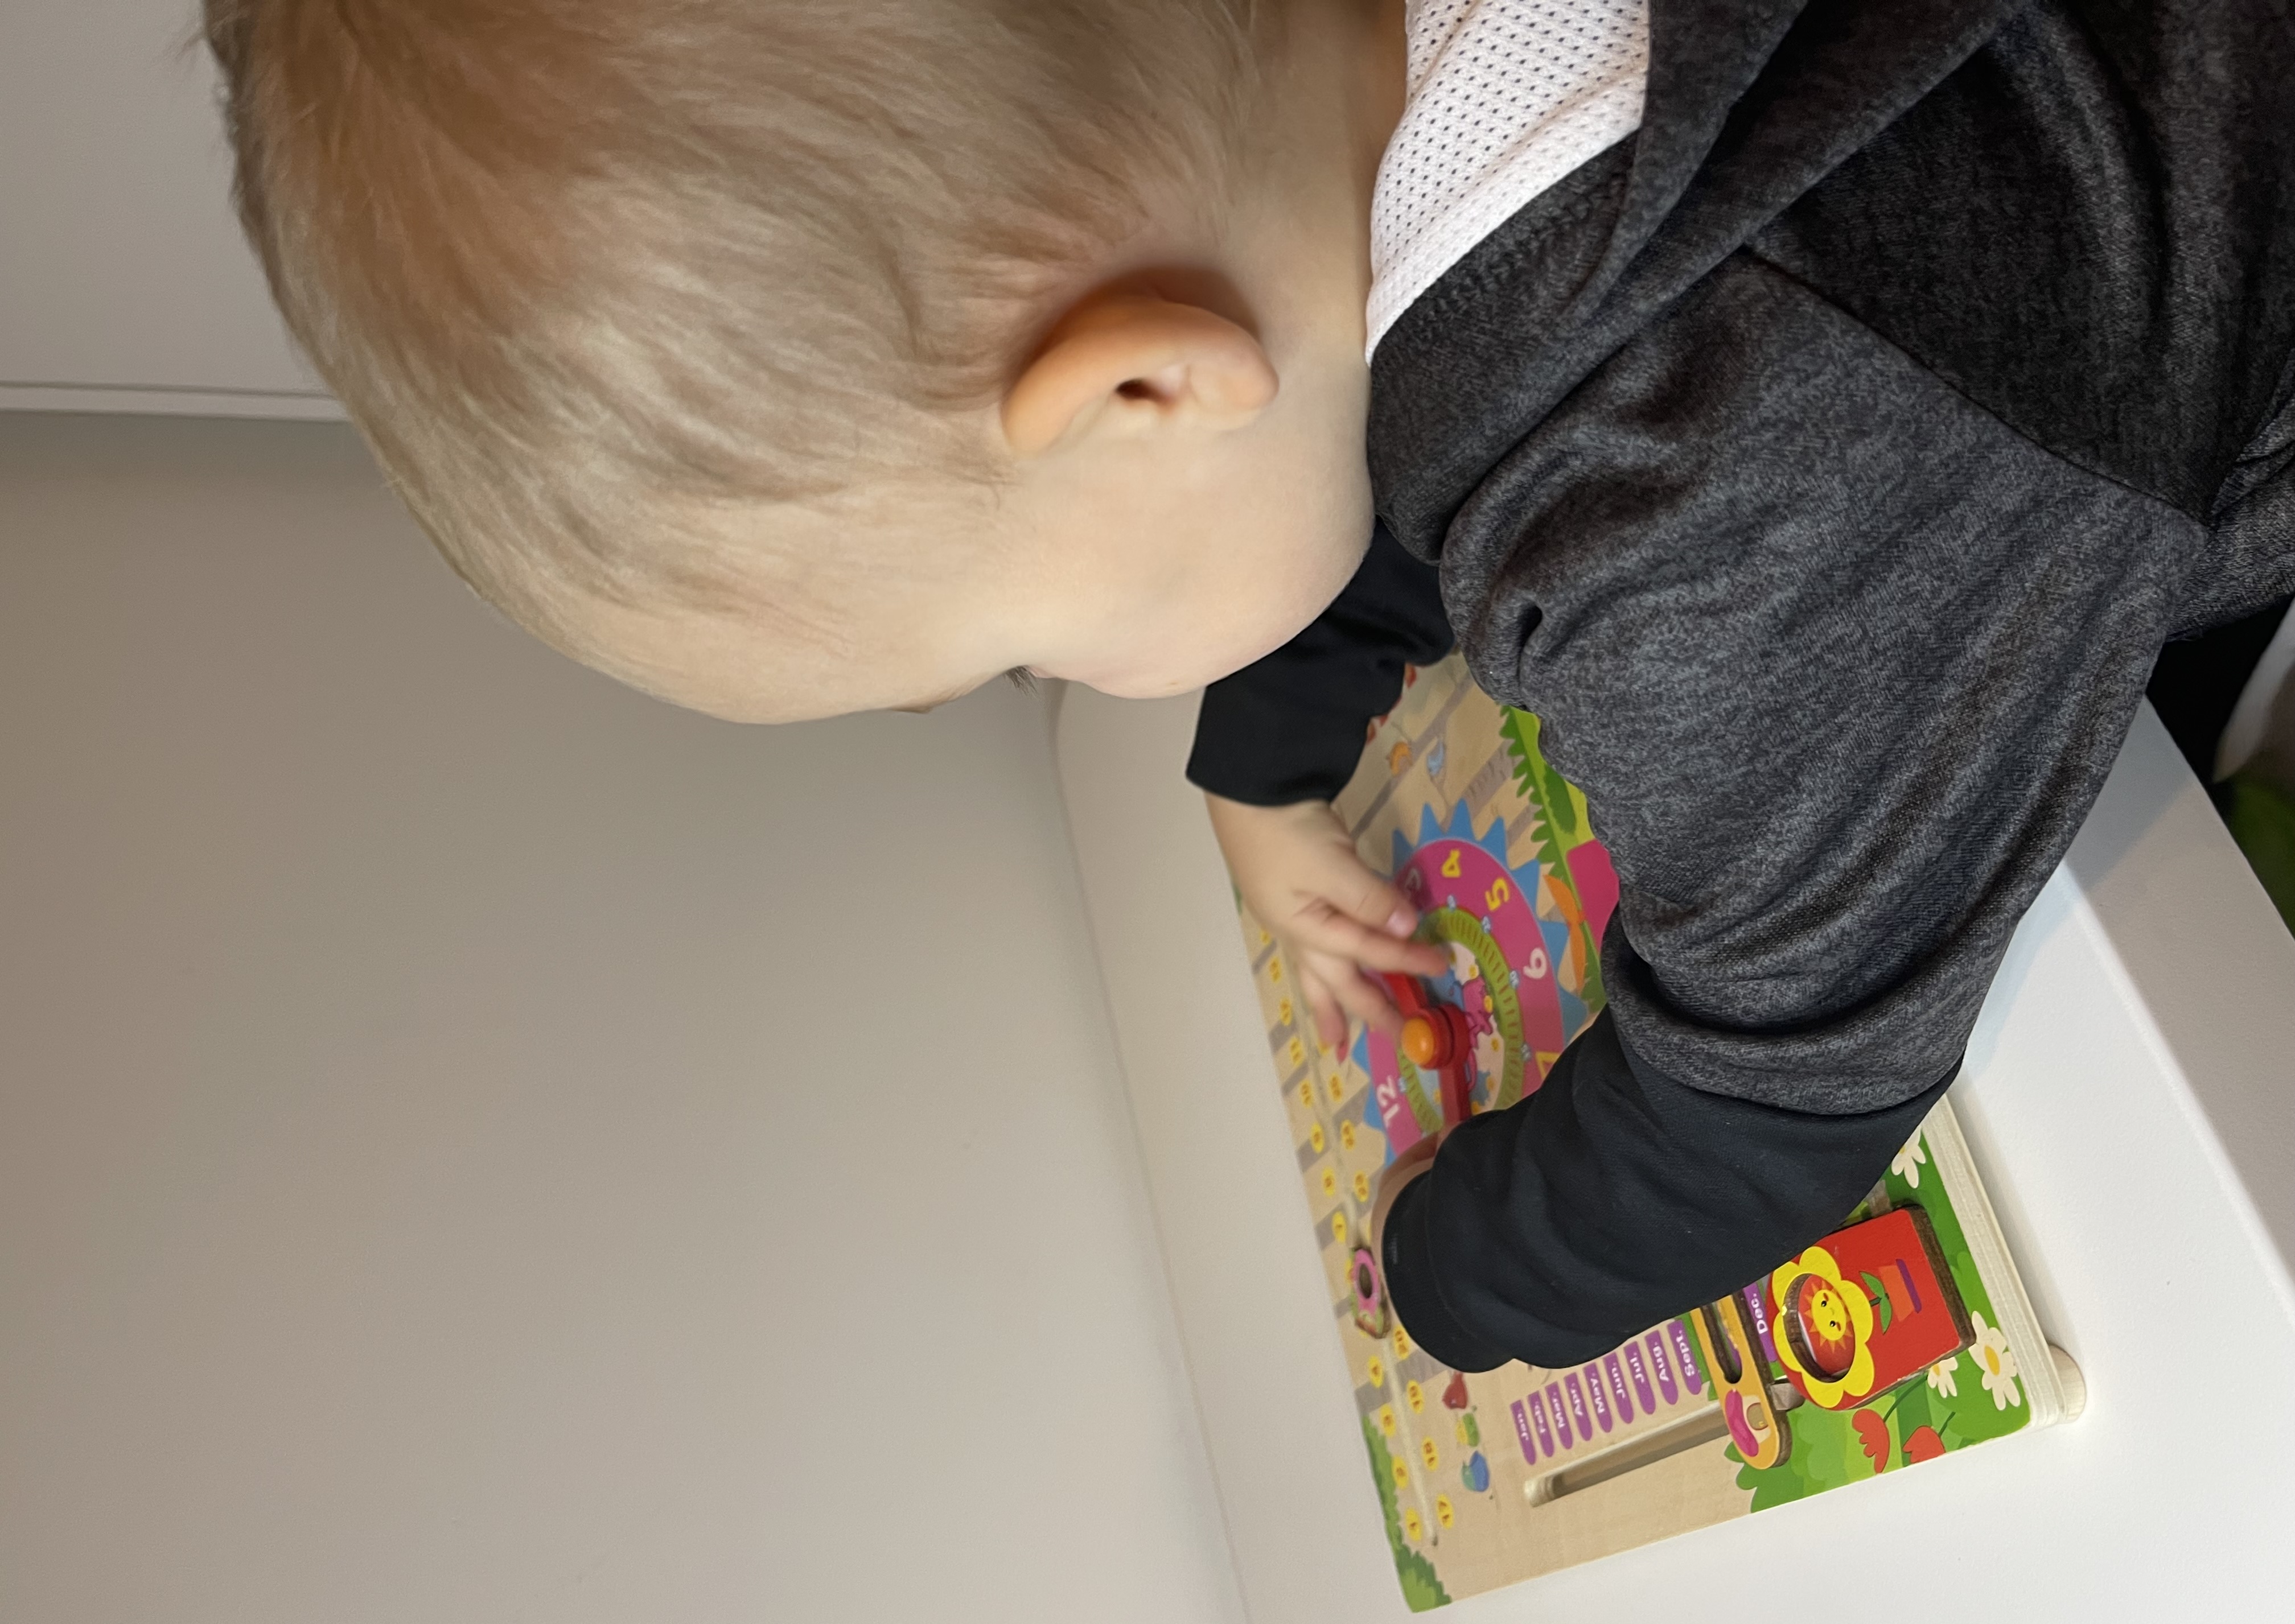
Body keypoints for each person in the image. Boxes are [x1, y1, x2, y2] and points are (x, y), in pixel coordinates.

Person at [205, 0, 2294, 1369]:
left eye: (1024, 647)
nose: (1055, 683)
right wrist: (1267, 749)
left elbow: (1765, 1105)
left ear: (1141, 387)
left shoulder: (1735, 507)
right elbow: (1394, 367)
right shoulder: (1399, 82)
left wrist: (1459, 1273)